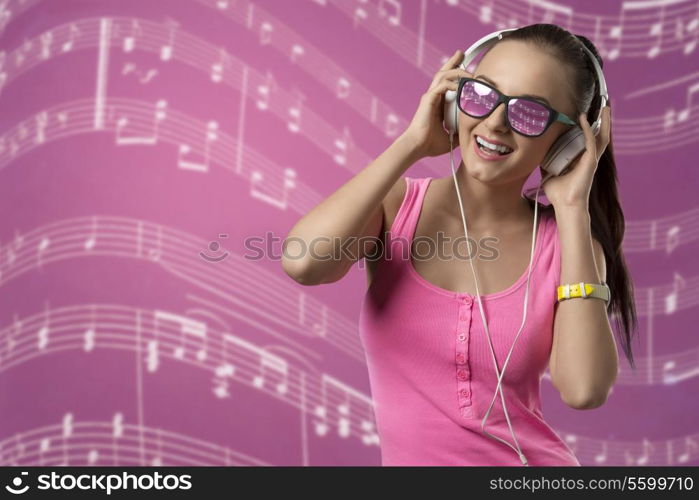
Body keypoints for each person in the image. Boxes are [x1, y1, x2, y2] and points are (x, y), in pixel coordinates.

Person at [281, 23, 638, 466]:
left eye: (529, 113)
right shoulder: (395, 208)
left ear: (565, 142)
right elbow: (303, 264)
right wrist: (412, 142)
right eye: (482, 94)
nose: (495, 122)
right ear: (452, 99)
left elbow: (584, 390)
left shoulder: (565, 247)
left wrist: (571, 209)